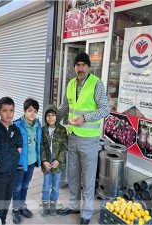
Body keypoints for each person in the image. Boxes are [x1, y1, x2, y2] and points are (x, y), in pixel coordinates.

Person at [56, 52, 110, 224]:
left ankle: (86, 213)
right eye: (77, 65)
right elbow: (65, 107)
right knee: (72, 175)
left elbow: (105, 109)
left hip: (89, 140)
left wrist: (85, 118)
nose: (80, 68)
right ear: (74, 67)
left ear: (89, 67)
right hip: (72, 136)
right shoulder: (71, 84)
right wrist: (51, 118)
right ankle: (73, 204)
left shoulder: (96, 84)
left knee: (87, 178)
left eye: (83, 65)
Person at [0, 97, 23, 224]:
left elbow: (19, 145)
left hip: (12, 173)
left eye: (11, 110)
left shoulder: (15, 129)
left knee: (7, 202)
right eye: (5, 110)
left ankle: (2, 221)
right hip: (0, 175)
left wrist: (13, 158)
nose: (8, 113)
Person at [12, 98, 42, 224]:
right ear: (24, 111)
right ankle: (15, 209)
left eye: (35, 111)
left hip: (31, 162)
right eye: (30, 110)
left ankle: (22, 206)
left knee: (25, 185)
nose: (32, 113)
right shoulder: (17, 125)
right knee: (17, 186)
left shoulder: (38, 125)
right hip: (19, 163)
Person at [40, 105, 68, 217]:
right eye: (48, 115)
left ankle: (53, 206)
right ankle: (45, 207)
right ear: (45, 117)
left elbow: (65, 146)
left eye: (53, 115)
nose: (50, 118)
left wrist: (58, 160)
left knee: (55, 186)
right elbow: (41, 146)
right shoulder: (43, 130)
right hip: (47, 162)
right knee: (46, 186)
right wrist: (44, 161)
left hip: (58, 163)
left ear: (57, 116)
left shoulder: (62, 130)